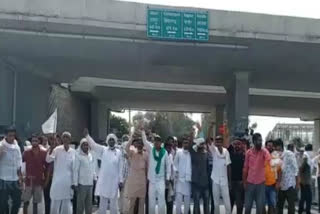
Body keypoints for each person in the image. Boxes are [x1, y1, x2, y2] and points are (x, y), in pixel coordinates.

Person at [84, 129, 123, 214]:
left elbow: (120, 167)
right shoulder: (103, 150)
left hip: (114, 181)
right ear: (107, 141)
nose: (111, 141)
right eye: (110, 139)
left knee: (114, 205)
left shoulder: (119, 152)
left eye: (113, 139)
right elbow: (93, 145)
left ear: (115, 141)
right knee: (102, 205)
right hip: (104, 181)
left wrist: (120, 180)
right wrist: (87, 136)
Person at [142, 129, 171, 214]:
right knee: (151, 202)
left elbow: (168, 166)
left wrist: (168, 178)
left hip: (161, 180)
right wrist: (143, 131)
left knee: (162, 201)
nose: (156, 143)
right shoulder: (151, 149)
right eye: (155, 141)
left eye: (158, 141)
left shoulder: (164, 152)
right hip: (152, 180)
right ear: (154, 142)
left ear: (161, 142)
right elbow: (144, 141)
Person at [46, 131, 76, 214]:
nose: (66, 139)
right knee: (55, 204)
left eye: (67, 137)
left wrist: (74, 182)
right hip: (57, 182)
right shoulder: (57, 149)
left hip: (68, 183)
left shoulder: (73, 152)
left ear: (70, 139)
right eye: (64, 137)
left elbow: (74, 169)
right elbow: (48, 160)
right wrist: (51, 148)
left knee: (67, 205)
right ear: (62, 139)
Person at [243, 133, 271, 214]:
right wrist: (244, 182)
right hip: (250, 183)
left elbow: (268, 158)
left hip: (261, 184)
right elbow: (245, 168)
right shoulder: (248, 153)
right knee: (247, 207)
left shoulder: (264, 151)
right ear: (254, 141)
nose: (261, 142)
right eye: (259, 140)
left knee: (260, 208)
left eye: (261, 140)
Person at [22, 134, 47, 214]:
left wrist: (45, 179)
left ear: (39, 141)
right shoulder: (26, 152)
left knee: (35, 203)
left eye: (36, 140)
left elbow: (46, 167)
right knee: (26, 202)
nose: (34, 142)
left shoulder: (44, 153)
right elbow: (21, 164)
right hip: (28, 181)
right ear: (31, 142)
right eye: (33, 141)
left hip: (38, 181)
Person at [0, 126, 22, 214]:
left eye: (13, 135)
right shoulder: (1, 145)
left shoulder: (17, 146)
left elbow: (19, 162)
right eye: (10, 135)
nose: (12, 137)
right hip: (3, 179)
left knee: (17, 201)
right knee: (2, 203)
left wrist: (21, 177)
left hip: (15, 179)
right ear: (6, 135)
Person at [125, 134, 148, 214]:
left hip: (142, 183)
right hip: (133, 182)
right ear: (136, 144)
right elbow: (126, 148)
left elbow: (147, 169)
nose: (140, 145)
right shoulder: (132, 152)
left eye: (141, 143)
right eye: (138, 143)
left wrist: (147, 180)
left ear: (143, 145)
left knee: (141, 204)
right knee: (132, 204)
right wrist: (132, 138)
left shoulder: (146, 155)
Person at [208, 136, 231, 214]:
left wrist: (229, 181)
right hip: (215, 180)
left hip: (224, 180)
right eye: (217, 141)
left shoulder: (226, 151)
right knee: (216, 203)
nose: (218, 143)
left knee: (227, 203)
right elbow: (208, 139)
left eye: (220, 141)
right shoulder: (214, 150)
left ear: (222, 142)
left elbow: (228, 166)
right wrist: (210, 127)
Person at [73, 138, 95, 214]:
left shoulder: (90, 155)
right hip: (81, 184)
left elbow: (92, 168)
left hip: (90, 184)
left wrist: (94, 177)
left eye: (87, 145)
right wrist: (75, 184)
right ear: (81, 146)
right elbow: (75, 170)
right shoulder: (78, 156)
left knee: (89, 206)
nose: (86, 146)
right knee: (80, 206)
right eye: (84, 145)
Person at [277, 143, 299, 214]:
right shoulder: (276, 156)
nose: (277, 151)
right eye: (276, 149)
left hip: (290, 185)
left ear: (281, 147)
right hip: (281, 185)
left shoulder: (289, 154)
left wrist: (297, 183)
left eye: (278, 149)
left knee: (291, 207)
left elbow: (296, 169)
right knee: (279, 206)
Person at [190, 137, 210, 214]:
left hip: (205, 184)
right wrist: (191, 134)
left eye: (202, 144)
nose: (202, 146)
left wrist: (208, 181)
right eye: (200, 144)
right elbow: (190, 146)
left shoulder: (206, 154)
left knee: (207, 205)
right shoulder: (194, 154)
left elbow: (208, 168)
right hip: (196, 184)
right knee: (196, 205)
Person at [174, 136, 192, 214]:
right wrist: (176, 171)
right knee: (178, 202)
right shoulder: (179, 152)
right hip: (179, 180)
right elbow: (174, 164)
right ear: (182, 144)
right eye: (184, 143)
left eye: (187, 143)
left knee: (187, 203)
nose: (186, 144)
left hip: (188, 181)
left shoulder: (191, 153)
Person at [227, 139, 245, 214]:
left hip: (240, 183)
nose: (237, 145)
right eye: (235, 144)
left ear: (241, 145)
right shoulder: (230, 154)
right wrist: (229, 181)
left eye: (238, 144)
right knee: (229, 204)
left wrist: (244, 181)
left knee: (239, 205)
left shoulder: (244, 156)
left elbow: (246, 169)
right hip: (232, 182)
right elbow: (229, 168)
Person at [298, 144, 313, 214]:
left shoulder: (305, 155)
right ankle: (307, 211)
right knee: (308, 197)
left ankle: (301, 211)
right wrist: (301, 178)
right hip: (305, 181)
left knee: (303, 197)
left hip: (304, 180)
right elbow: (301, 168)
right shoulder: (306, 156)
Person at [264, 140, 278, 214]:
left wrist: (277, 182)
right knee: (262, 205)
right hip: (263, 184)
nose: (270, 147)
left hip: (273, 184)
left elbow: (278, 170)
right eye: (269, 145)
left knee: (272, 205)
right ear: (266, 146)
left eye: (271, 146)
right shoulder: (262, 155)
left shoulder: (275, 156)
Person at [164, 136, 175, 214]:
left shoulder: (171, 155)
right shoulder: (162, 155)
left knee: (170, 202)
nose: (170, 148)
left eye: (171, 146)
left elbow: (172, 168)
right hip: (162, 182)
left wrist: (172, 179)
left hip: (170, 182)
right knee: (162, 202)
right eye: (168, 146)